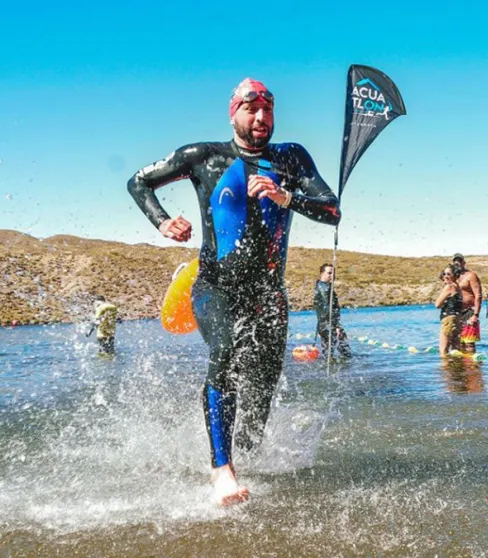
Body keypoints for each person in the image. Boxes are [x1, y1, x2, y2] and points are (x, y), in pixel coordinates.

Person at [127, 77, 341, 506]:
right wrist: (163, 221)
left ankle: (244, 459)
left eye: (268, 110)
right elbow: (138, 182)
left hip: (269, 296)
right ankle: (221, 470)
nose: (261, 117)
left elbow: (332, 210)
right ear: (233, 113)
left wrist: (286, 197)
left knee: (261, 391)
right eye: (251, 109)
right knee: (224, 354)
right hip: (216, 288)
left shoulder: (291, 158)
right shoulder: (204, 157)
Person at [313, 263, 352, 359]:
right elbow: (327, 308)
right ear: (322, 274)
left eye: (333, 273)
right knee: (344, 352)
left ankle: (328, 365)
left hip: (323, 325)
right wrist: (336, 326)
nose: (332, 275)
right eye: (329, 273)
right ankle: (346, 366)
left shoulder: (320, 285)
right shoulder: (325, 288)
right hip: (328, 324)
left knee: (328, 352)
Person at [451, 253, 483, 353]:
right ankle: (462, 363)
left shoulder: (471, 275)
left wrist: (475, 315)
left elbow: (478, 295)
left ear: (464, 263)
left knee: (469, 342)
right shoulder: (454, 277)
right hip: (457, 313)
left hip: (469, 312)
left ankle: (472, 362)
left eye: (460, 261)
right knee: (459, 342)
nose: (457, 263)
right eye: (455, 262)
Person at [434, 265, 462, 356]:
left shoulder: (449, 287)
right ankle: (457, 365)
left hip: (448, 318)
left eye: (448, 274)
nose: (445, 276)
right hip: (457, 318)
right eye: (444, 274)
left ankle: (445, 365)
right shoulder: (457, 286)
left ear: (455, 275)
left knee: (443, 350)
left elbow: (437, 304)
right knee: (455, 349)